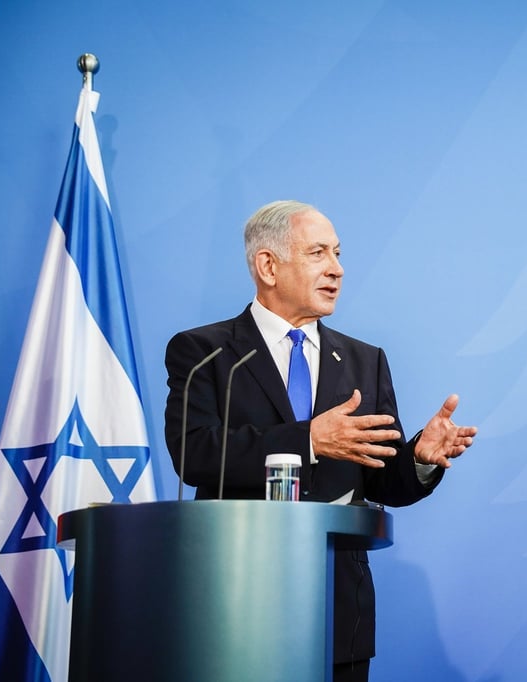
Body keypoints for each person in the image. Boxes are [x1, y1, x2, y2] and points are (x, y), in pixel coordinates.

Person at [164, 200, 477, 682]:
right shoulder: (206, 352)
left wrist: (417, 458)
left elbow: (381, 481)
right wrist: (308, 439)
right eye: (318, 253)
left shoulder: (362, 359)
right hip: (234, 596)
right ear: (268, 265)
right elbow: (195, 453)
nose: (337, 269)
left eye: (338, 253)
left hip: (336, 603)